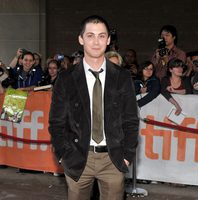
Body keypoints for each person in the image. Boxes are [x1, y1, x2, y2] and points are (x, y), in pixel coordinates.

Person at [49, 15, 139, 200]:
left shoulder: (122, 77)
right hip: (78, 157)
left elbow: (131, 120)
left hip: (113, 159)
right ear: (81, 39)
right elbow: (57, 122)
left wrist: (127, 155)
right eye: (90, 35)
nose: (96, 42)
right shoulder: (66, 79)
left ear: (108, 40)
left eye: (101, 36)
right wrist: (63, 155)